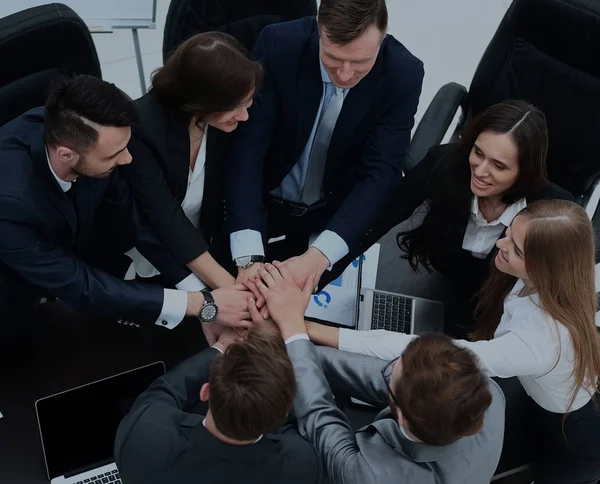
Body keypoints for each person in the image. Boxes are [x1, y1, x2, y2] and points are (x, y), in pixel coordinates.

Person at [307, 200, 600, 484]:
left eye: (516, 250)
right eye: (509, 233)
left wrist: (313, 330)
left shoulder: (539, 342)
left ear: (546, 268)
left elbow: (421, 353)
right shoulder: (557, 282)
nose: (500, 244)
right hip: (536, 397)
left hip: (570, 434)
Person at [0, 75, 252, 358]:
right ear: (66, 155)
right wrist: (203, 305)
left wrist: (205, 297)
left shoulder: (83, 136)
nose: (127, 160)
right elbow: (82, 286)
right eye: (114, 155)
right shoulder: (9, 203)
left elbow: (136, 222)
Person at [224, 0, 424, 291]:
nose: (344, 75)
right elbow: (247, 149)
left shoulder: (403, 72)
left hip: (336, 214)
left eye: (359, 63)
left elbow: (381, 171)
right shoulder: (280, 44)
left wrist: (320, 256)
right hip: (261, 202)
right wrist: (248, 256)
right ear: (318, 30)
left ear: (383, 36)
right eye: (333, 58)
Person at [243, 262, 505, 484]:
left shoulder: (371, 476)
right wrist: (293, 335)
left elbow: (319, 417)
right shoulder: (487, 392)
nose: (386, 368)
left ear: (401, 416)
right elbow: (376, 376)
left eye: (392, 372)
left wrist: (289, 331)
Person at [355, 100, 574, 338]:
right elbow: (380, 215)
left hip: (501, 311)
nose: (479, 171)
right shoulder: (445, 165)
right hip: (439, 279)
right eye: (478, 153)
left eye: (499, 166)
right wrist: (322, 261)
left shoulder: (552, 210)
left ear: (524, 171)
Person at [122, 32, 263, 294]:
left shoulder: (223, 122)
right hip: (145, 262)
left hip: (205, 252)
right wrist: (230, 289)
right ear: (202, 101)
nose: (244, 116)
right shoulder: (142, 127)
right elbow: (164, 217)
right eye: (235, 107)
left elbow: (238, 185)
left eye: (248, 103)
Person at [115, 328, 323, 484]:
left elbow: (160, 393)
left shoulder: (143, 435)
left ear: (205, 392)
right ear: (283, 413)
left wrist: (221, 346)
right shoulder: (301, 466)